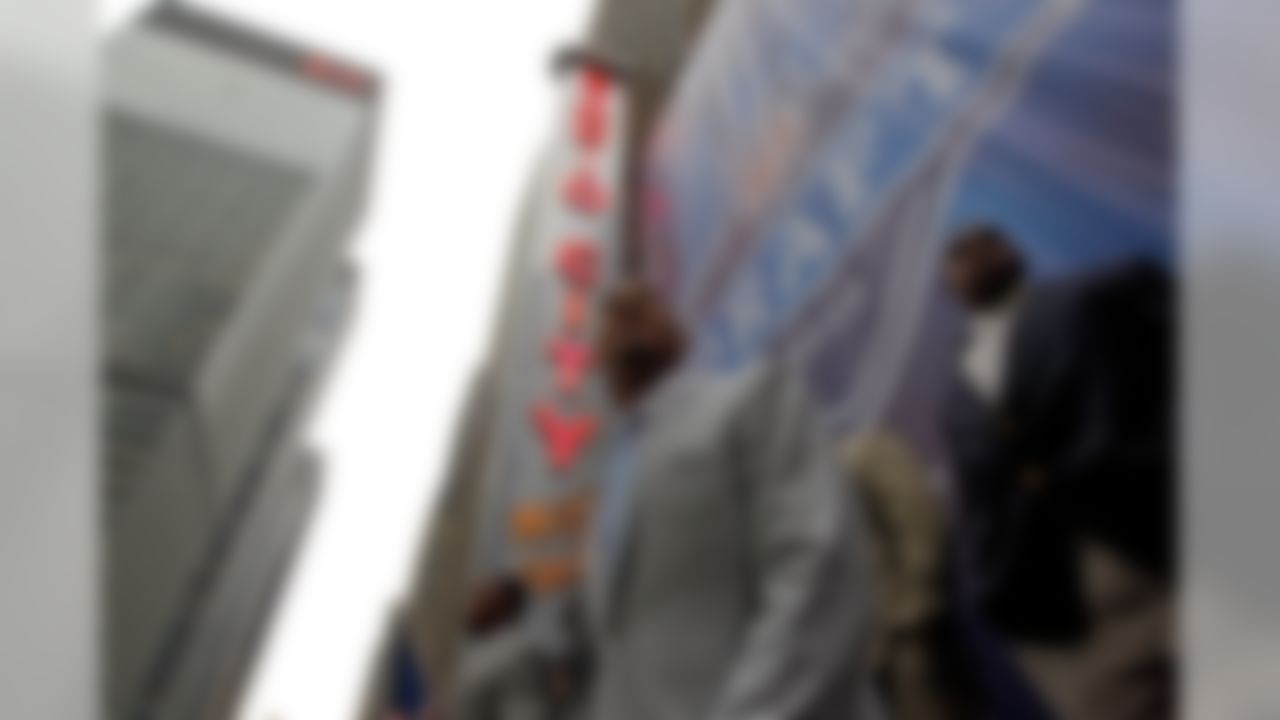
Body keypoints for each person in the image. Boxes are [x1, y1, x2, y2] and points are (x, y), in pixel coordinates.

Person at [582, 280, 876, 720]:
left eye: (645, 304)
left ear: (679, 335)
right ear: (597, 360)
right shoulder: (606, 498)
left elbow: (815, 568)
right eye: (610, 316)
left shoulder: (753, 397)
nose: (624, 311)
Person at [941, 224, 1176, 720]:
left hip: (1161, 553)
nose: (972, 261)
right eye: (958, 258)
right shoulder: (957, 400)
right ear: (951, 289)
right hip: (1071, 622)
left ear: (1011, 252)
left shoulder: (1097, 295)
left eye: (981, 246)